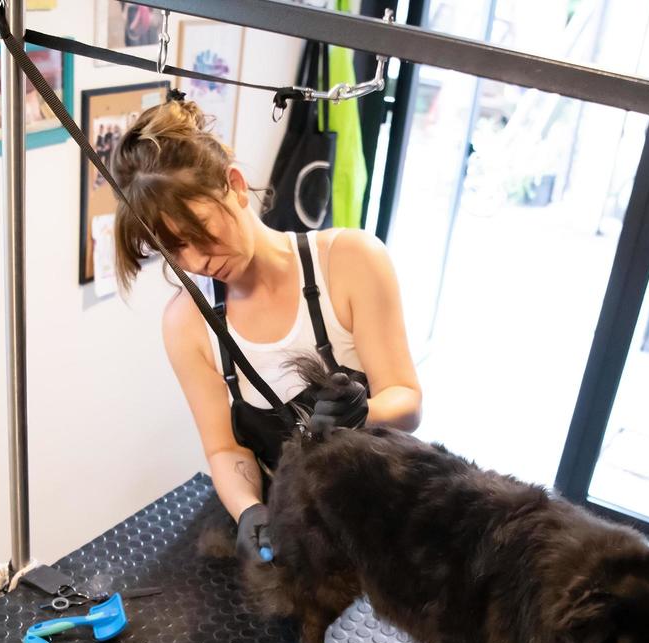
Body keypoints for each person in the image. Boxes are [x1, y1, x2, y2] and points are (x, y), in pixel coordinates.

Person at [111, 99, 421, 563]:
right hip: (287, 522)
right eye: (174, 249)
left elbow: (409, 403)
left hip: (376, 517)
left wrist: (365, 411)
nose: (196, 261)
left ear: (234, 186)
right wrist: (250, 512)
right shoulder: (187, 323)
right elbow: (225, 448)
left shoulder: (351, 262)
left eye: (200, 231)